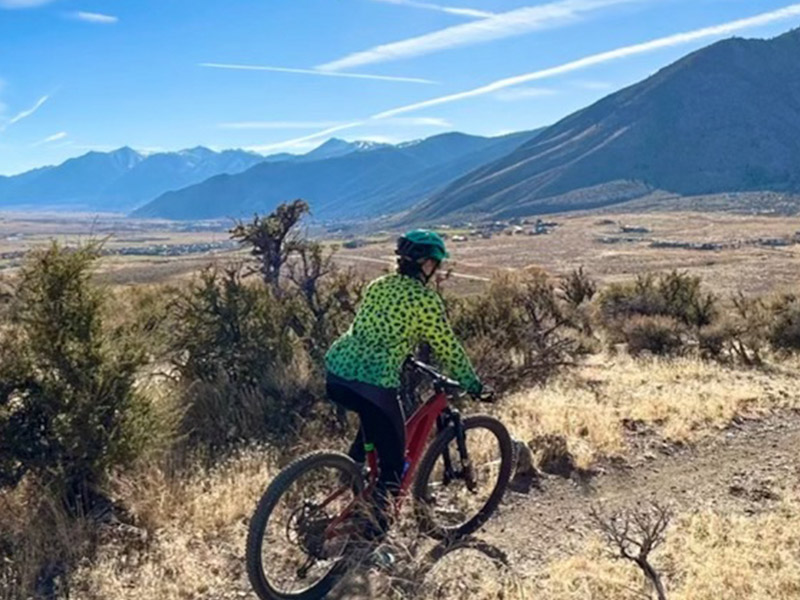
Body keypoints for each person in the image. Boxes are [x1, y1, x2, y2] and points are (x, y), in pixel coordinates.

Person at [324, 229, 483, 538]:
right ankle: (375, 531)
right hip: (375, 383)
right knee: (394, 466)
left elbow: (370, 328)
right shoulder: (425, 300)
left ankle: (351, 475)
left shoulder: (379, 285)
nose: (435, 268)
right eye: (434, 262)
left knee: (372, 426)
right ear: (424, 263)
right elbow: (447, 346)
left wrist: (403, 353)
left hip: (338, 374)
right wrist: (472, 382)